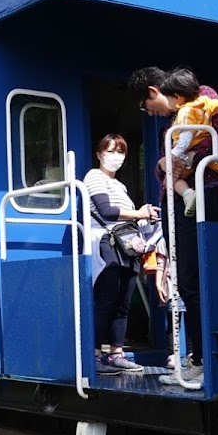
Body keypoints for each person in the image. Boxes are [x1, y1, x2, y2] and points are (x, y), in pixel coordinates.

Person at [130, 66, 218, 385]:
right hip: (182, 200)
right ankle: (200, 359)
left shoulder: (202, 98)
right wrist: (165, 167)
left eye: (148, 108)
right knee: (187, 280)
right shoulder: (174, 120)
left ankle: (204, 361)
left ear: (154, 92)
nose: (151, 114)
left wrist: (178, 165)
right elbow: (164, 168)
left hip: (200, 195)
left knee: (193, 279)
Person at [85, 133, 160, 375]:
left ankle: (116, 353)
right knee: (106, 301)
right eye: (110, 151)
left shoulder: (121, 186)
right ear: (99, 154)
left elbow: (127, 217)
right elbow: (106, 211)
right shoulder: (93, 176)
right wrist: (140, 213)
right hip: (105, 244)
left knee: (123, 304)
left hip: (127, 246)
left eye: (120, 152)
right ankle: (95, 356)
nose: (115, 157)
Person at [158, 67, 218, 219]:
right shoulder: (205, 102)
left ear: (177, 97)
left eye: (168, 98)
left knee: (171, 180)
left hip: (188, 154)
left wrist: (174, 154)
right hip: (210, 152)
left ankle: (188, 195)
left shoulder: (185, 112)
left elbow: (186, 137)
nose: (168, 103)